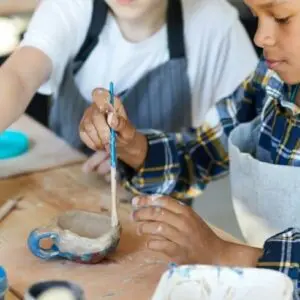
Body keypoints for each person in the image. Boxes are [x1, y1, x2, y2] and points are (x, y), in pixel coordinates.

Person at [79, 0, 300, 296]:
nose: (261, 37)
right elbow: (201, 153)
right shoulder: (270, 80)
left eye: (281, 18)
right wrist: (132, 145)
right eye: (257, 16)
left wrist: (225, 255)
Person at [0, 0, 257, 179]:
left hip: (157, 212)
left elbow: (249, 131)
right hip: (63, 183)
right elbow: (19, 76)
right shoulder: (71, 6)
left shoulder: (214, 23)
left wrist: (143, 155)